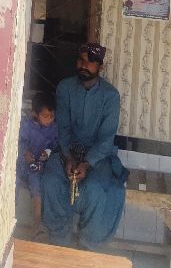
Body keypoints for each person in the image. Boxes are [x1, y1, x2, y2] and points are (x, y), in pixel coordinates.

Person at [41, 42, 127, 248]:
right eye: (80, 60)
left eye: (90, 62)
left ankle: (87, 247)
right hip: (66, 151)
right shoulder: (65, 88)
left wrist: (87, 164)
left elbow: (106, 139)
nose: (84, 65)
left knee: (96, 189)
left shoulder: (110, 96)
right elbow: (63, 129)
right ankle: (58, 243)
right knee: (51, 181)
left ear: (100, 67)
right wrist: (68, 158)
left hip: (99, 156)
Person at [18, 94, 59, 236]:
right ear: (35, 114)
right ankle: (10, 216)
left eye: (52, 116)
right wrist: (25, 152)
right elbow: (20, 141)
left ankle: (36, 222)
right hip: (22, 162)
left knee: (36, 187)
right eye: (45, 116)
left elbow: (54, 145)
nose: (50, 119)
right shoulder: (26, 125)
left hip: (37, 165)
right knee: (13, 182)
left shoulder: (53, 128)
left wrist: (47, 152)